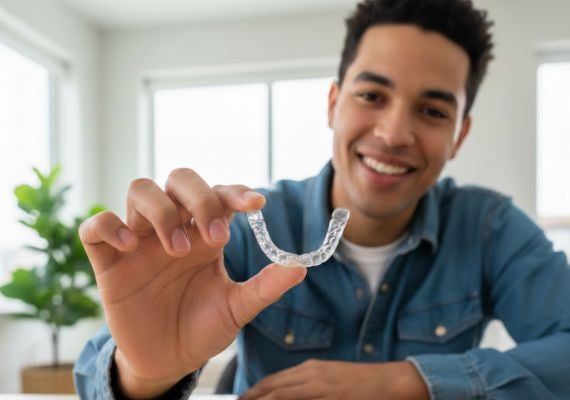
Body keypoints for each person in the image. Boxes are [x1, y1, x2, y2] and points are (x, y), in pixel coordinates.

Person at [74, 0, 570, 398]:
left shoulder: (492, 229)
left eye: (433, 111)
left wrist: (406, 381)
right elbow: (100, 380)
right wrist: (141, 377)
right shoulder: (240, 229)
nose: (394, 133)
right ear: (333, 104)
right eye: (372, 96)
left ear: (459, 135)